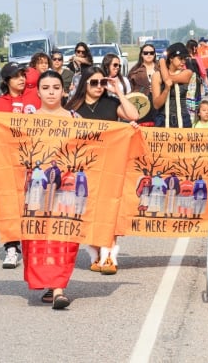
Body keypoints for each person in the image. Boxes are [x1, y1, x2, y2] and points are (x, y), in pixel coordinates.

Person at [65, 67, 139, 274]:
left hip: (110, 166)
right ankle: (94, 253)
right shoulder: (72, 107)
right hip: (84, 168)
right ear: (84, 84)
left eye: (102, 83)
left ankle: (109, 256)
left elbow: (134, 115)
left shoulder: (111, 103)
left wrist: (118, 92)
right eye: (94, 83)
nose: (99, 87)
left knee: (109, 210)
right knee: (89, 210)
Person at [24, 70, 81, 309]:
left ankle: (59, 288)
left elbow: (100, 143)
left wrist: (128, 129)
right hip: (36, 189)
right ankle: (48, 283)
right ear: (37, 91)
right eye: (46, 88)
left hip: (66, 188)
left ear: (63, 90)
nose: (51, 92)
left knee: (63, 235)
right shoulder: (26, 121)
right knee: (38, 237)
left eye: (56, 87)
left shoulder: (74, 119)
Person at [0, 62, 29, 268]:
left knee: (33, 204)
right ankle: (11, 248)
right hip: (8, 164)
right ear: (6, 81)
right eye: (16, 76)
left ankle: (33, 246)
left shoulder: (34, 99)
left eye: (23, 75)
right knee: (9, 205)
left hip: (32, 163)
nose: (22, 79)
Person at [151, 42, 195, 128]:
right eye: (180, 58)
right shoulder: (157, 75)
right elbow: (156, 105)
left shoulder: (187, 73)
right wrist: (166, 90)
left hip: (183, 118)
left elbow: (168, 79)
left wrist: (162, 62)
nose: (183, 62)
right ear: (171, 58)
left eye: (185, 59)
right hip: (162, 118)